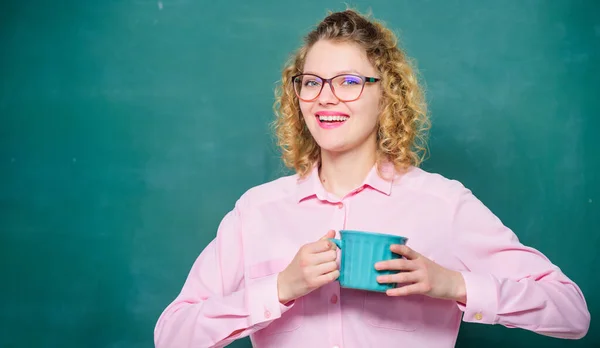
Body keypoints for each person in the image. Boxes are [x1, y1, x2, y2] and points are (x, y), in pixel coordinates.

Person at [154, 9, 590, 348]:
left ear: (387, 94)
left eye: (348, 81)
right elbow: (171, 335)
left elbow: (572, 313)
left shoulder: (443, 204)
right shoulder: (257, 212)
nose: (326, 97)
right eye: (311, 82)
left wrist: (452, 284)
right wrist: (280, 288)